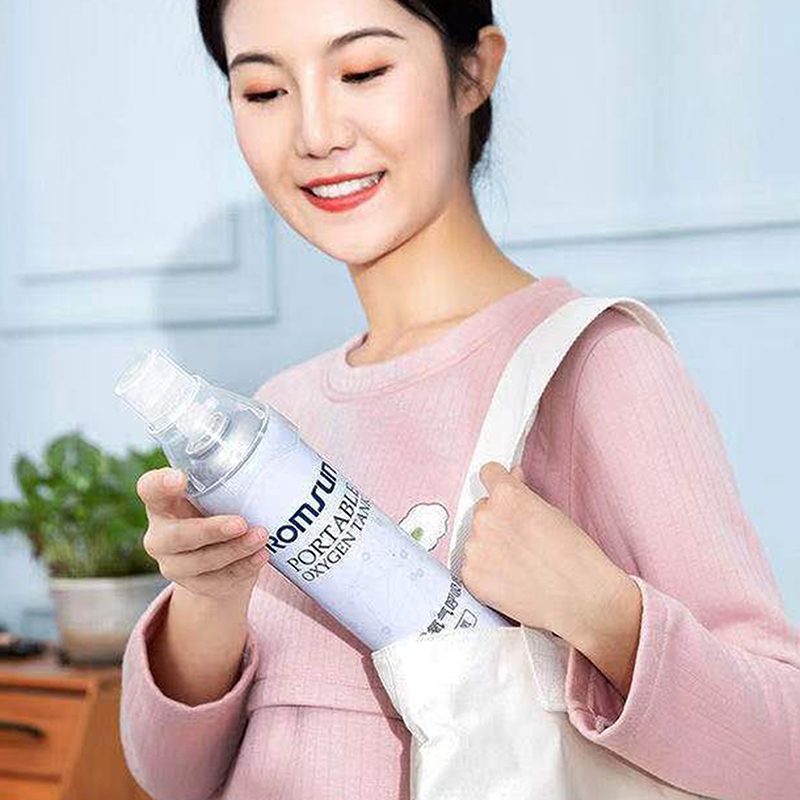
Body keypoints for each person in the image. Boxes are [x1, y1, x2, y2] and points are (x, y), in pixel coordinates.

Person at [120, 1, 800, 798]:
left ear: (473, 70)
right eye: (265, 91)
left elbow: (782, 750)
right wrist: (209, 596)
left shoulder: (592, 365)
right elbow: (173, 777)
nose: (316, 133)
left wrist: (607, 615)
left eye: (362, 71)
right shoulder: (277, 416)